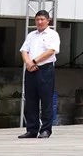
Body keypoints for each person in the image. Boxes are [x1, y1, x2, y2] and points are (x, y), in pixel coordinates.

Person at [18, 9, 60, 139]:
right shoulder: (31, 35)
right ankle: (32, 129)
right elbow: (24, 50)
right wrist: (28, 63)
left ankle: (45, 129)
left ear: (48, 21)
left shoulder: (53, 34)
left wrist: (35, 61)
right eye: (37, 19)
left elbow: (51, 51)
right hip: (30, 70)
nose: (39, 22)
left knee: (46, 100)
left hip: (45, 70)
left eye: (42, 19)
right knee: (30, 100)